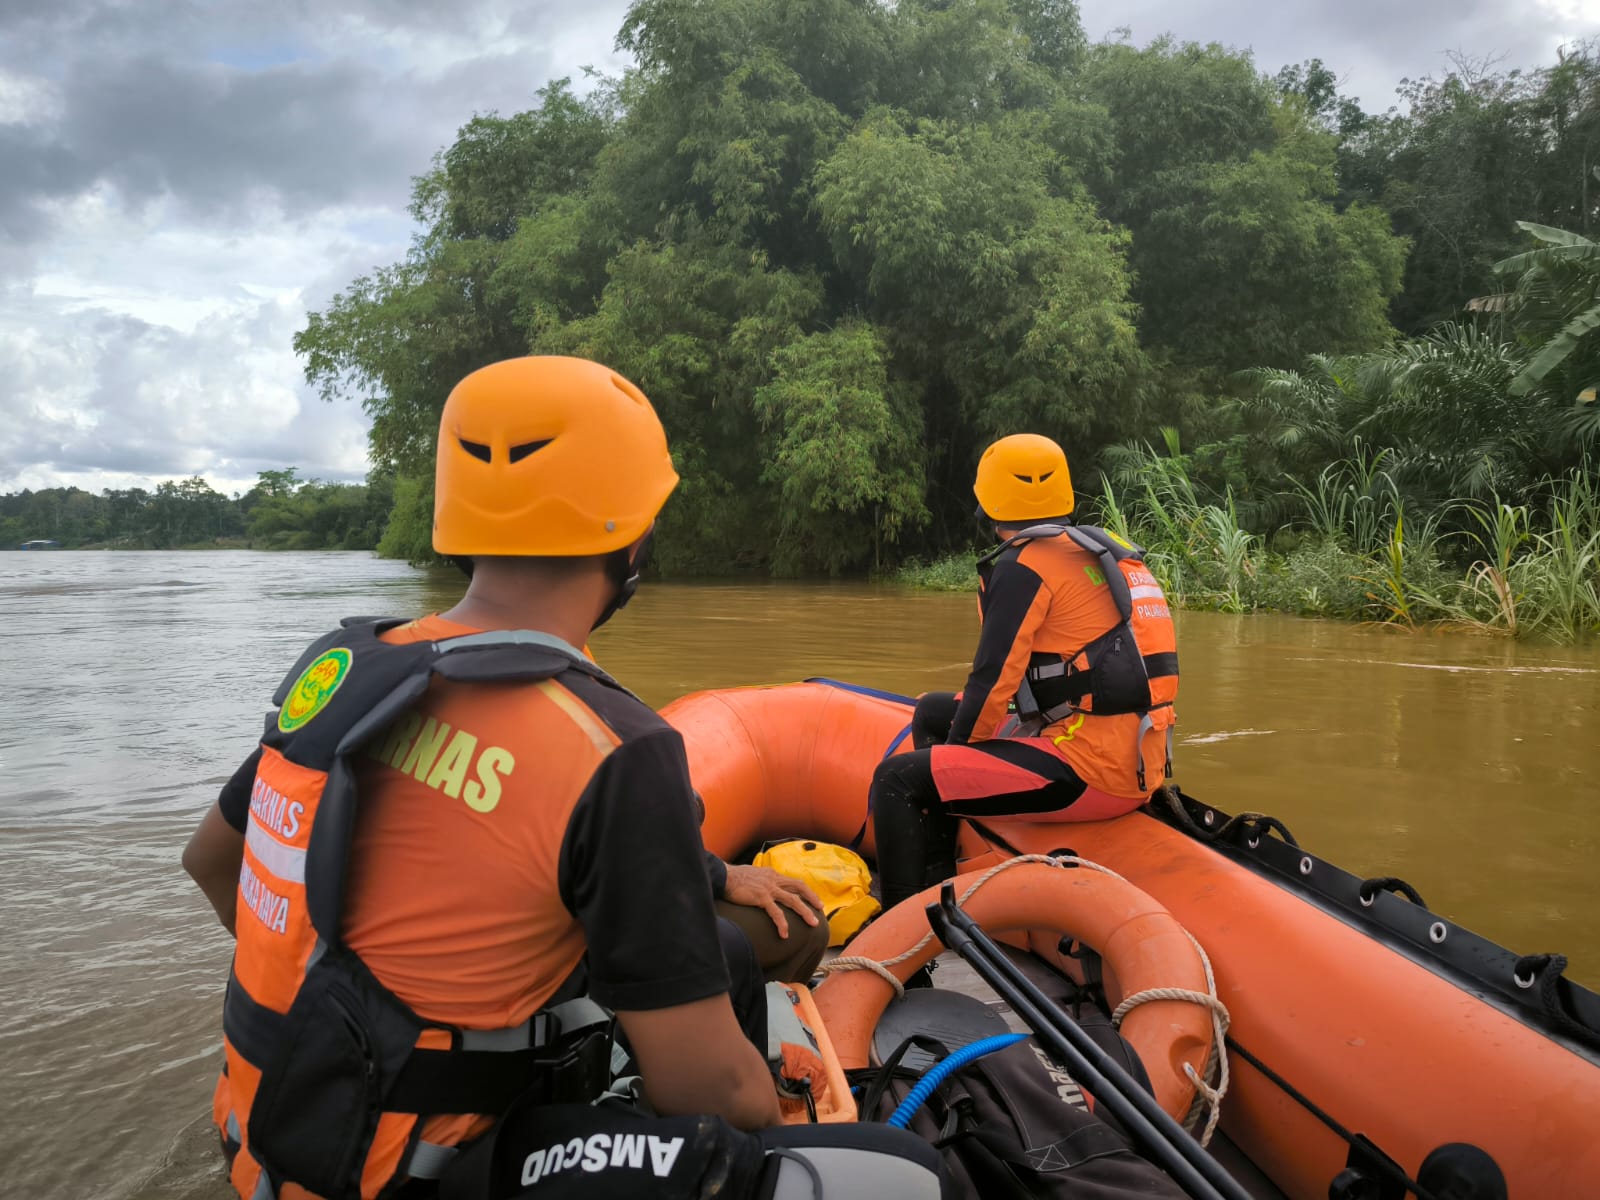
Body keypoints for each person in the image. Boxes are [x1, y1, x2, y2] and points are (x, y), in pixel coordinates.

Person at [181, 357, 918, 1200]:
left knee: (719, 950)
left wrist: (338, 1012)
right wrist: (780, 1122)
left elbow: (211, 861)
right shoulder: (614, 744)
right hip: (410, 1173)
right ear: (634, 539)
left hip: (264, 1123)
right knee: (898, 1174)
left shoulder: (350, 671)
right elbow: (709, 1092)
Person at [870, 433, 1179, 920]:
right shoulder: (1106, 551)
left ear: (988, 504)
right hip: (1140, 757)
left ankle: (901, 931)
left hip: (1088, 770)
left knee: (895, 781)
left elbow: (992, 681)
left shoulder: (1025, 564)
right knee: (931, 711)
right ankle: (938, 873)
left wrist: (956, 758)